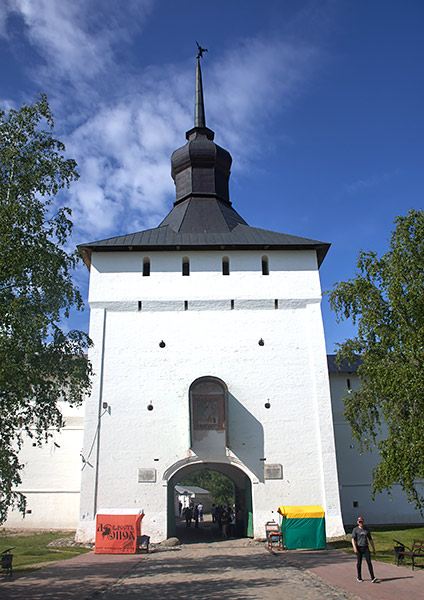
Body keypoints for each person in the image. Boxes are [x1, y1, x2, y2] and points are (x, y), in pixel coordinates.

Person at [351, 516, 377, 582]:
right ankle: (359, 577)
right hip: (359, 547)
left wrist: (373, 549)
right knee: (359, 563)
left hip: (365, 547)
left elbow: (370, 539)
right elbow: (353, 539)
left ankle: (372, 577)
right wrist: (354, 548)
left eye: (361, 522)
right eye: (359, 522)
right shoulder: (355, 530)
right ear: (357, 522)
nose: (361, 523)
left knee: (369, 562)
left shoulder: (366, 530)